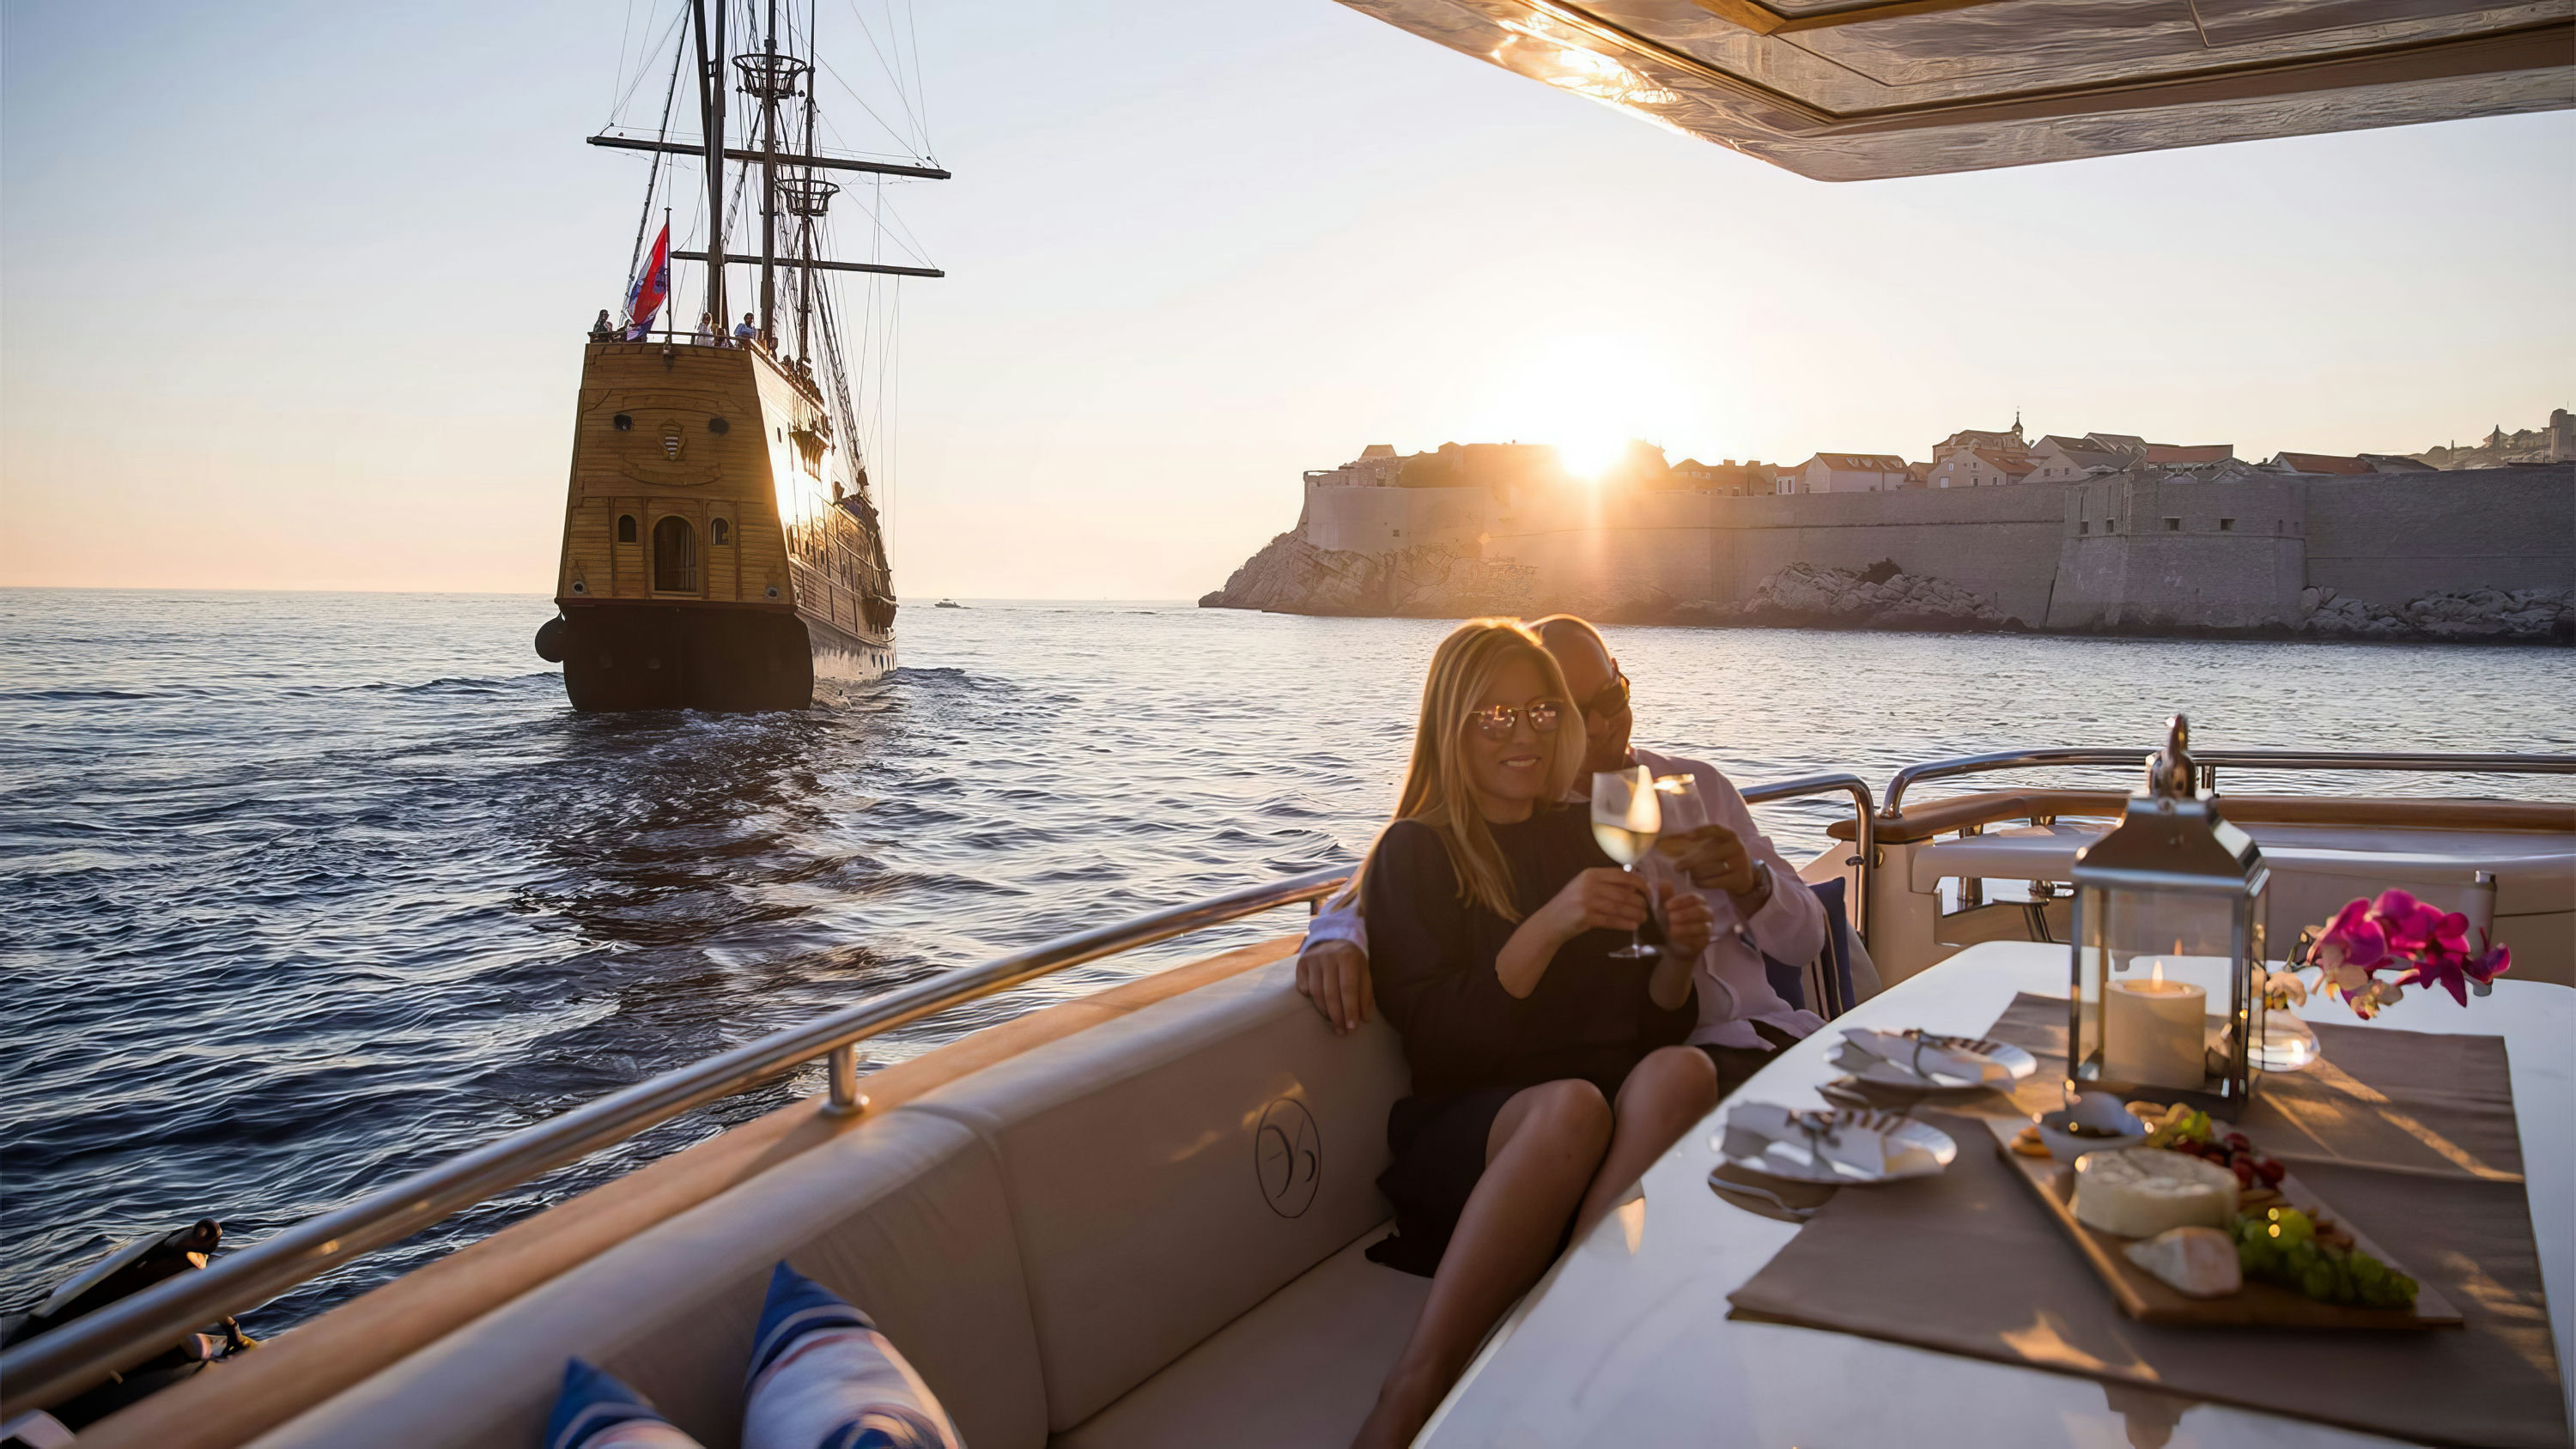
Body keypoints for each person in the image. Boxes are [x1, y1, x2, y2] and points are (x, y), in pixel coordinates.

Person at [1346, 619, 1718, 1449]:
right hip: (1478, 1144)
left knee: (1682, 1073)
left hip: (1597, 1154)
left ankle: (1560, 1327)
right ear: (1451, 726)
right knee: (1571, 1106)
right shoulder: (1415, 852)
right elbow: (1444, 1045)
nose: (1524, 735)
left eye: (1543, 712)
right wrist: (1550, 925)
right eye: (1495, 716)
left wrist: (1677, 959)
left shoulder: (1584, 833)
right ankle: (1413, 1389)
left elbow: (1649, 1026)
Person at [1298, 614, 1828, 1094]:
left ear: (1622, 681)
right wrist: (1333, 932)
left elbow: (1807, 941)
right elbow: (1398, 867)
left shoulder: (1702, 785)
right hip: (1675, 1062)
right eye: (1573, 710)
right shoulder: (1543, 819)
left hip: (1781, 1035)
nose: (1598, 725)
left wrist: (1753, 883)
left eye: (1610, 699)